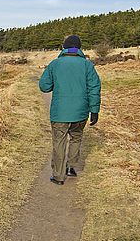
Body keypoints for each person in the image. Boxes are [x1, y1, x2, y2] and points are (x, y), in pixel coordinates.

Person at [38, 34, 101, 185]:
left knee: (59, 142)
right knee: (76, 138)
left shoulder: (55, 64)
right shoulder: (88, 65)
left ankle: (59, 176)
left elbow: (44, 86)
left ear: (64, 47)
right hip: (81, 112)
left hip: (60, 113)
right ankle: (71, 168)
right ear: (79, 48)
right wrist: (94, 111)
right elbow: (94, 88)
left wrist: (57, 83)